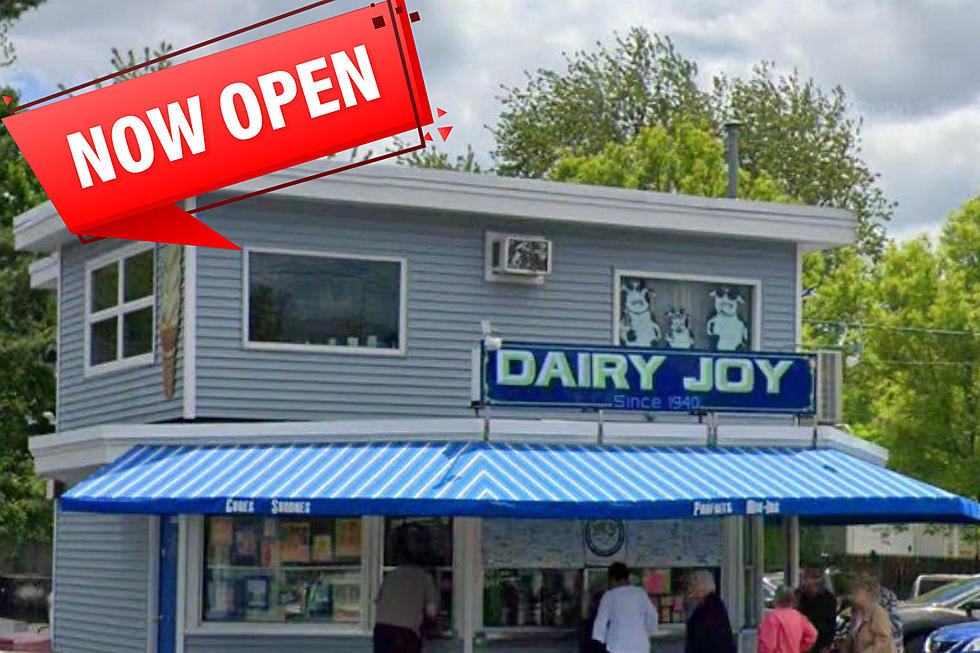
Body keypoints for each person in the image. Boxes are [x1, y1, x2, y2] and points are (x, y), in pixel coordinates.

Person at [373, 526, 439, 653]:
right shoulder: (425, 578)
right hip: (406, 634)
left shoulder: (390, 576)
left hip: (382, 632)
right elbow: (432, 612)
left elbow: (379, 603)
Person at [591, 562, 659, 653]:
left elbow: (600, 622)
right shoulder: (640, 593)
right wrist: (647, 632)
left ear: (613, 579)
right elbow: (652, 615)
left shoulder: (609, 596)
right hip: (640, 646)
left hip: (617, 646)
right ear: (628, 576)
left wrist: (602, 639)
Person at [839, 574, 895, 653]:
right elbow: (851, 638)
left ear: (867, 591)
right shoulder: (856, 613)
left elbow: (883, 644)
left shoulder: (878, 613)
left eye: (857, 589)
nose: (853, 592)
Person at [685, 569, 736, 653]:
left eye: (692, 584)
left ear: (701, 587)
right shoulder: (707, 606)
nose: (689, 588)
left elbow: (706, 640)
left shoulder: (712, 609)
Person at [758, 586, 818, 653]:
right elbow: (812, 635)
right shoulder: (800, 617)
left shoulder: (772, 617)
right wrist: (799, 647)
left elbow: (768, 645)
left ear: (776, 599)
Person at [795, 568, 837, 653]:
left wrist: (827, 644)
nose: (803, 582)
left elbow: (831, 623)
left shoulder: (828, 598)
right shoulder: (798, 596)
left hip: (820, 642)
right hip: (801, 642)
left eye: (806, 579)